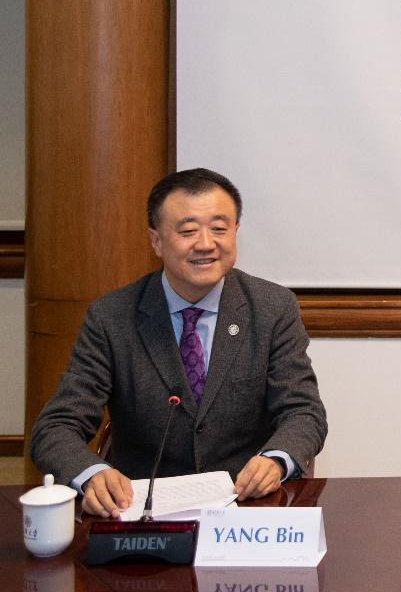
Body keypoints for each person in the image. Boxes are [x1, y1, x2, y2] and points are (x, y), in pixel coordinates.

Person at [30, 168, 328, 517]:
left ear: (235, 232)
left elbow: (303, 412)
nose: (205, 243)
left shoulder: (272, 308)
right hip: (143, 514)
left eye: (219, 228)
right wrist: (93, 474)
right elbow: (56, 427)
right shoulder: (112, 317)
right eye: (188, 231)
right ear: (156, 240)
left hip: (246, 509)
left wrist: (276, 460)